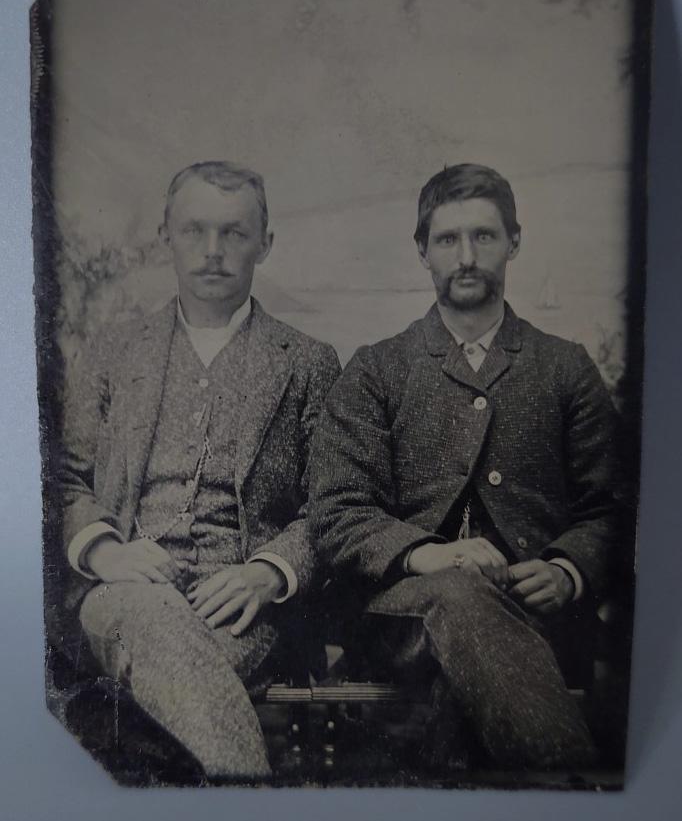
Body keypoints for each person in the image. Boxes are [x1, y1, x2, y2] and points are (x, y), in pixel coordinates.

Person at [310, 163, 629, 772]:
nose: (466, 256)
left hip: (539, 620)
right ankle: (568, 788)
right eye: (448, 239)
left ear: (514, 242)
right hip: (401, 618)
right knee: (457, 594)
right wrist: (430, 555)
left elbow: (612, 510)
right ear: (422, 252)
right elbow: (337, 512)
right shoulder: (378, 369)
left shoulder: (565, 368)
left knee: (455, 717)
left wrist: (568, 570)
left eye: (484, 236)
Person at [60, 160, 340, 781]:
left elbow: (336, 506)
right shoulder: (111, 352)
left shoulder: (309, 364)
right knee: (151, 622)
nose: (213, 252)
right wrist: (104, 552)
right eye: (194, 231)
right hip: (122, 594)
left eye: (234, 234)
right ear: (165, 236)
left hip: (243, 610)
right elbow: (64, 480)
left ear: (265, 245)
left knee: (160, 690)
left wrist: (269, 573)